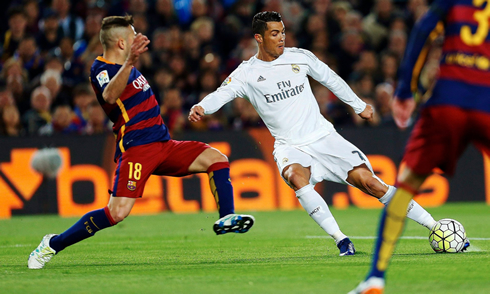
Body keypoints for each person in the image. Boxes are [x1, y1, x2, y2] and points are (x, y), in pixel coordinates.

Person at [189, 11, 437, 257]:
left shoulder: (300, 58)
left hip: (325, 137)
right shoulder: (247, 73)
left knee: (371, 183)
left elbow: (331, 79)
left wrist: (359, 105)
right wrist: (202, 107)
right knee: (297, 177)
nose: (281, 38)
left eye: (283, 32)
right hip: (289, 145)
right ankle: (342, 241)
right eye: (275, 33)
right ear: (259, 38)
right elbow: (222, 93)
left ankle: (435, 227)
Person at [28, 15, 254, 269]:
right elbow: (110, 96)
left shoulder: (130, 67)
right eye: (133, 35)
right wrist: (131, 62)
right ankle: (52, 244)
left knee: (216, 158)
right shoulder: (101, 68)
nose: (138, 38)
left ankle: (226, 217)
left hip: (164, 144)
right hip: (137, 148)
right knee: (117, 213)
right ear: (122, 44)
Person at [350, 0, 478, 292]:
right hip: (481, 98)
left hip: (450, 102)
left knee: (403, 187)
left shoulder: (451, 5)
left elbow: (422, 29)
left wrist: (406, 88)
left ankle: (376, 277)